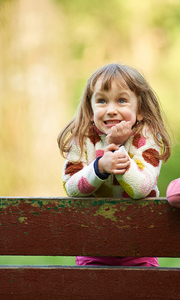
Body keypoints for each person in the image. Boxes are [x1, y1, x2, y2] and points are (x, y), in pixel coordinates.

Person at [57, 63, 171, 267]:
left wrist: (116, 147)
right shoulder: (83, 140)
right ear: (90, 110)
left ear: (140, 110)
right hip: (93, 245)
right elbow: (71, 186)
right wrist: (99, 168)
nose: (111, 110)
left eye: (121, 100)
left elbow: (140, 188)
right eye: (101, 101)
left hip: (139, 245)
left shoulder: (146, 139)